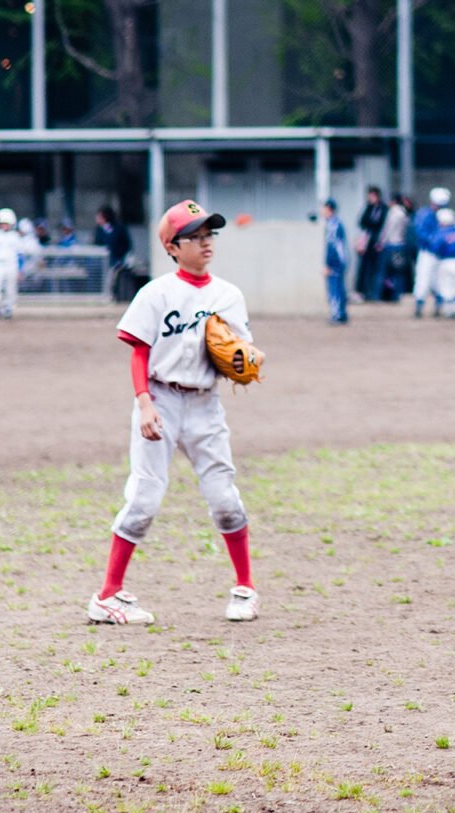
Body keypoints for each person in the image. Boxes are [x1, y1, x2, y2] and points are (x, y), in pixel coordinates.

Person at [87, 199, 261, 626]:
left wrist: (245, 361)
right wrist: (144, 402)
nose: (206, 243)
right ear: (172, 246)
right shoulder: (156, 293)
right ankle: (107, 595)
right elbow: (139, 351)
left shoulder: (228, 295)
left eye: (209, 235)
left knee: (224, 496)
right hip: (160, 399)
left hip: (205, 403)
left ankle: (245, 588)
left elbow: (240, 354)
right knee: (144, 497)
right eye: (195, 237)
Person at [412, 186, 450, 318]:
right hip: (427, 252)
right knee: (423, 279)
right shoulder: (424, 214)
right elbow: (420, 233)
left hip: (441, 254)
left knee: (439, 282)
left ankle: (439, 308)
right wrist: (434, 242)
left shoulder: (445, 215)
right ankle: (419, 307)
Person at [0, 208, 23, 319]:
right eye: (2, 223)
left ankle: (8, 308)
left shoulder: (15, 237)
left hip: (12, 265)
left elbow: (20, 255)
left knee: (11, 288)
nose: (4, 225)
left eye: (6, 223)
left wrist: (20, 270)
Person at [355, 186, 388, 302]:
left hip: (378, 243)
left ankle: (376, 294)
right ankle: (364, 292)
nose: (371, 198)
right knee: (364, 269)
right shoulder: (368, 208)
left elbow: (382, 225)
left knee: (377, 270)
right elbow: (362, 222)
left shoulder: (384, 209)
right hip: (368, 242)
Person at [94, 206, 133, 299]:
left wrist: (121, 256)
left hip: (116, 260)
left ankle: (112, 295)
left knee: (112, 278)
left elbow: (126, 244)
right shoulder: (98, 230)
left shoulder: (119, 228)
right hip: (102, 261)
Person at [378, 193, 411, 302]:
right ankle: (397, 294)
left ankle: (382, 295)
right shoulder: (404, 213)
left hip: (391, 244)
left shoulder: (394, 213)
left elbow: (388, 229)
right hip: (400, 244)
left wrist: (381, 242)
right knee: (398, 272)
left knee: (385, 272)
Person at [321, 198, 349, 324]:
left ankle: (337, 314)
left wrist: (328, 264)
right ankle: (342, 313)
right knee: (340, 288)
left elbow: (332, 247)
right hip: (341, 260)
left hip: (336, 261)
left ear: (329, 209)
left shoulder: (333, 225)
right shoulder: (336, 223)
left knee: (334, 289)